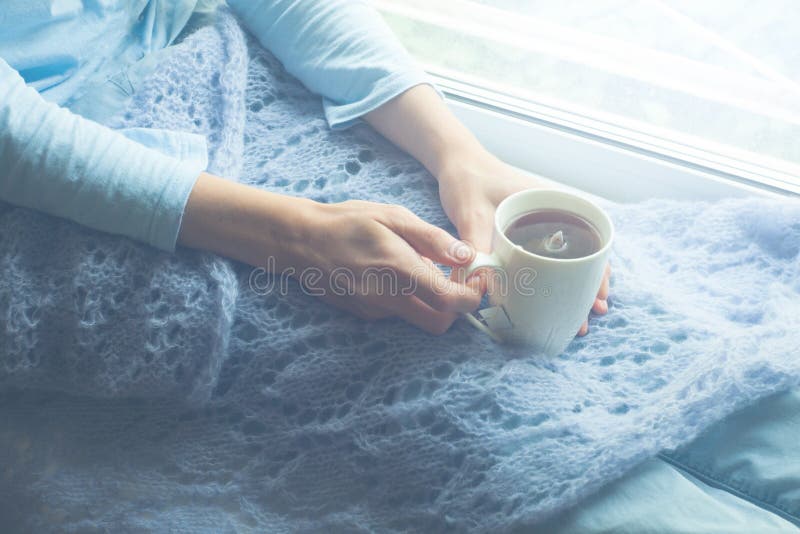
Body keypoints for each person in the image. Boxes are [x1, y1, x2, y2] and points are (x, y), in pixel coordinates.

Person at [0, 0, 609, 336]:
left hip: (212, 77)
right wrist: (293, 236)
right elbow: (17, 136)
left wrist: (460, 155)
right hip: (71, 193)